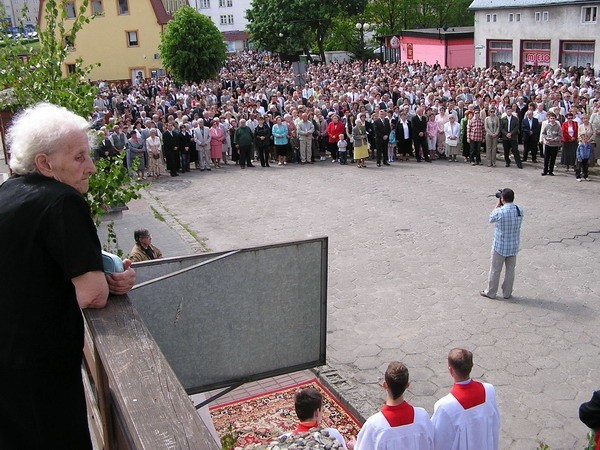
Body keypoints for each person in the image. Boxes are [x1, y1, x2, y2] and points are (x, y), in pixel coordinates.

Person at [0, 102, 135, 449]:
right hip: (39, 372)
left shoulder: (9, 191)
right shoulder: (63, 201)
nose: (90, 167)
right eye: (78, 157)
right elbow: (92, 294)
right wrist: (105, 282)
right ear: (45, 163)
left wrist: (104, 275)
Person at [355, 362, 434, 450]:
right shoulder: (422, 417)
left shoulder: (375, 425)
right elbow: (433, 443)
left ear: (384, 385)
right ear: (407, 385)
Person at [432, 349, 500, 450]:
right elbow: (495, 423)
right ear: (471, 366)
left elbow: (439, 441)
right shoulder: (489, 391)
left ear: (451, 370)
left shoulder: (445, 406)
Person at [480, 188, 523, 300]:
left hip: (500, 246)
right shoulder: (519, 210)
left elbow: (491, 218)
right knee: (510, 270)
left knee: (495, 270)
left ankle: (491, 292)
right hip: (513, 246)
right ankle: (507, 293)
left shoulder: (500, 211)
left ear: (502, 199)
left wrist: (498, 204)